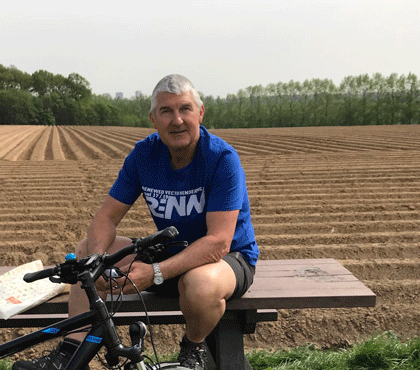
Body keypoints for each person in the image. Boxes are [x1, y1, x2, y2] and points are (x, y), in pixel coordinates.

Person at [13, 74, 259, 370]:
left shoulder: (221, 159)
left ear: (200, 112)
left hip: (226, 261)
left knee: (199, 284)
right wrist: (96, 260)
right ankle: (69, 353)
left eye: (185, 109)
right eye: (166, 111)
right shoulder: (145, 154)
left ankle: (193, 349)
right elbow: (106, 216)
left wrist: (154, 273)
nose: (177, 120)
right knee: (84, 253)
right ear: (153, 119)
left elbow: (218, 242)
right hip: (171, 253)